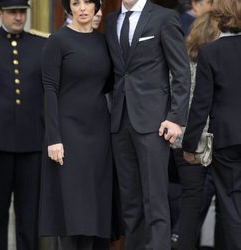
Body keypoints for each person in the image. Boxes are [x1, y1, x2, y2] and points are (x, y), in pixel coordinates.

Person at [105, 0, 191, 249]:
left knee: (155, 202)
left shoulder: (164, 18)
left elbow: (181, 71)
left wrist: (176, 118)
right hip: (120, 122)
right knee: (131, 204)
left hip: (154, 123)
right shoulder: (111, 21)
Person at [38, 0, 113, 249]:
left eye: (88, 2)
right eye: (75, 3)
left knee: (96, 208)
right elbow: (49, 90)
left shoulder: (103, 42)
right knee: (71, 210)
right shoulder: (57, 41)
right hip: (68, 135)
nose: (82, 8)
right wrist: (53, 138)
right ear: (69, 7)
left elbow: (111, 85)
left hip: (100, 134)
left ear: (96, 6)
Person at [183, 0, 241, 249]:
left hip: (227, 141)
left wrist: (189, 145)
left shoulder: (210, 52)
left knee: (230, 206)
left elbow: (200, 105)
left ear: (219, 16)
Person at [0, 0, 46, 249]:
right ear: (0, 13)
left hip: (32, 144)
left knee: (30, 216)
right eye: (12, 12)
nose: (18, 17)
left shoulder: (41, 45)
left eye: (22, 12)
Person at [171, 11, 220, 250]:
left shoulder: (180, 62)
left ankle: (180, 240)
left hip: (180, 140)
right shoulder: (217, 62)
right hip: (211, 141)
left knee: (190, 200)